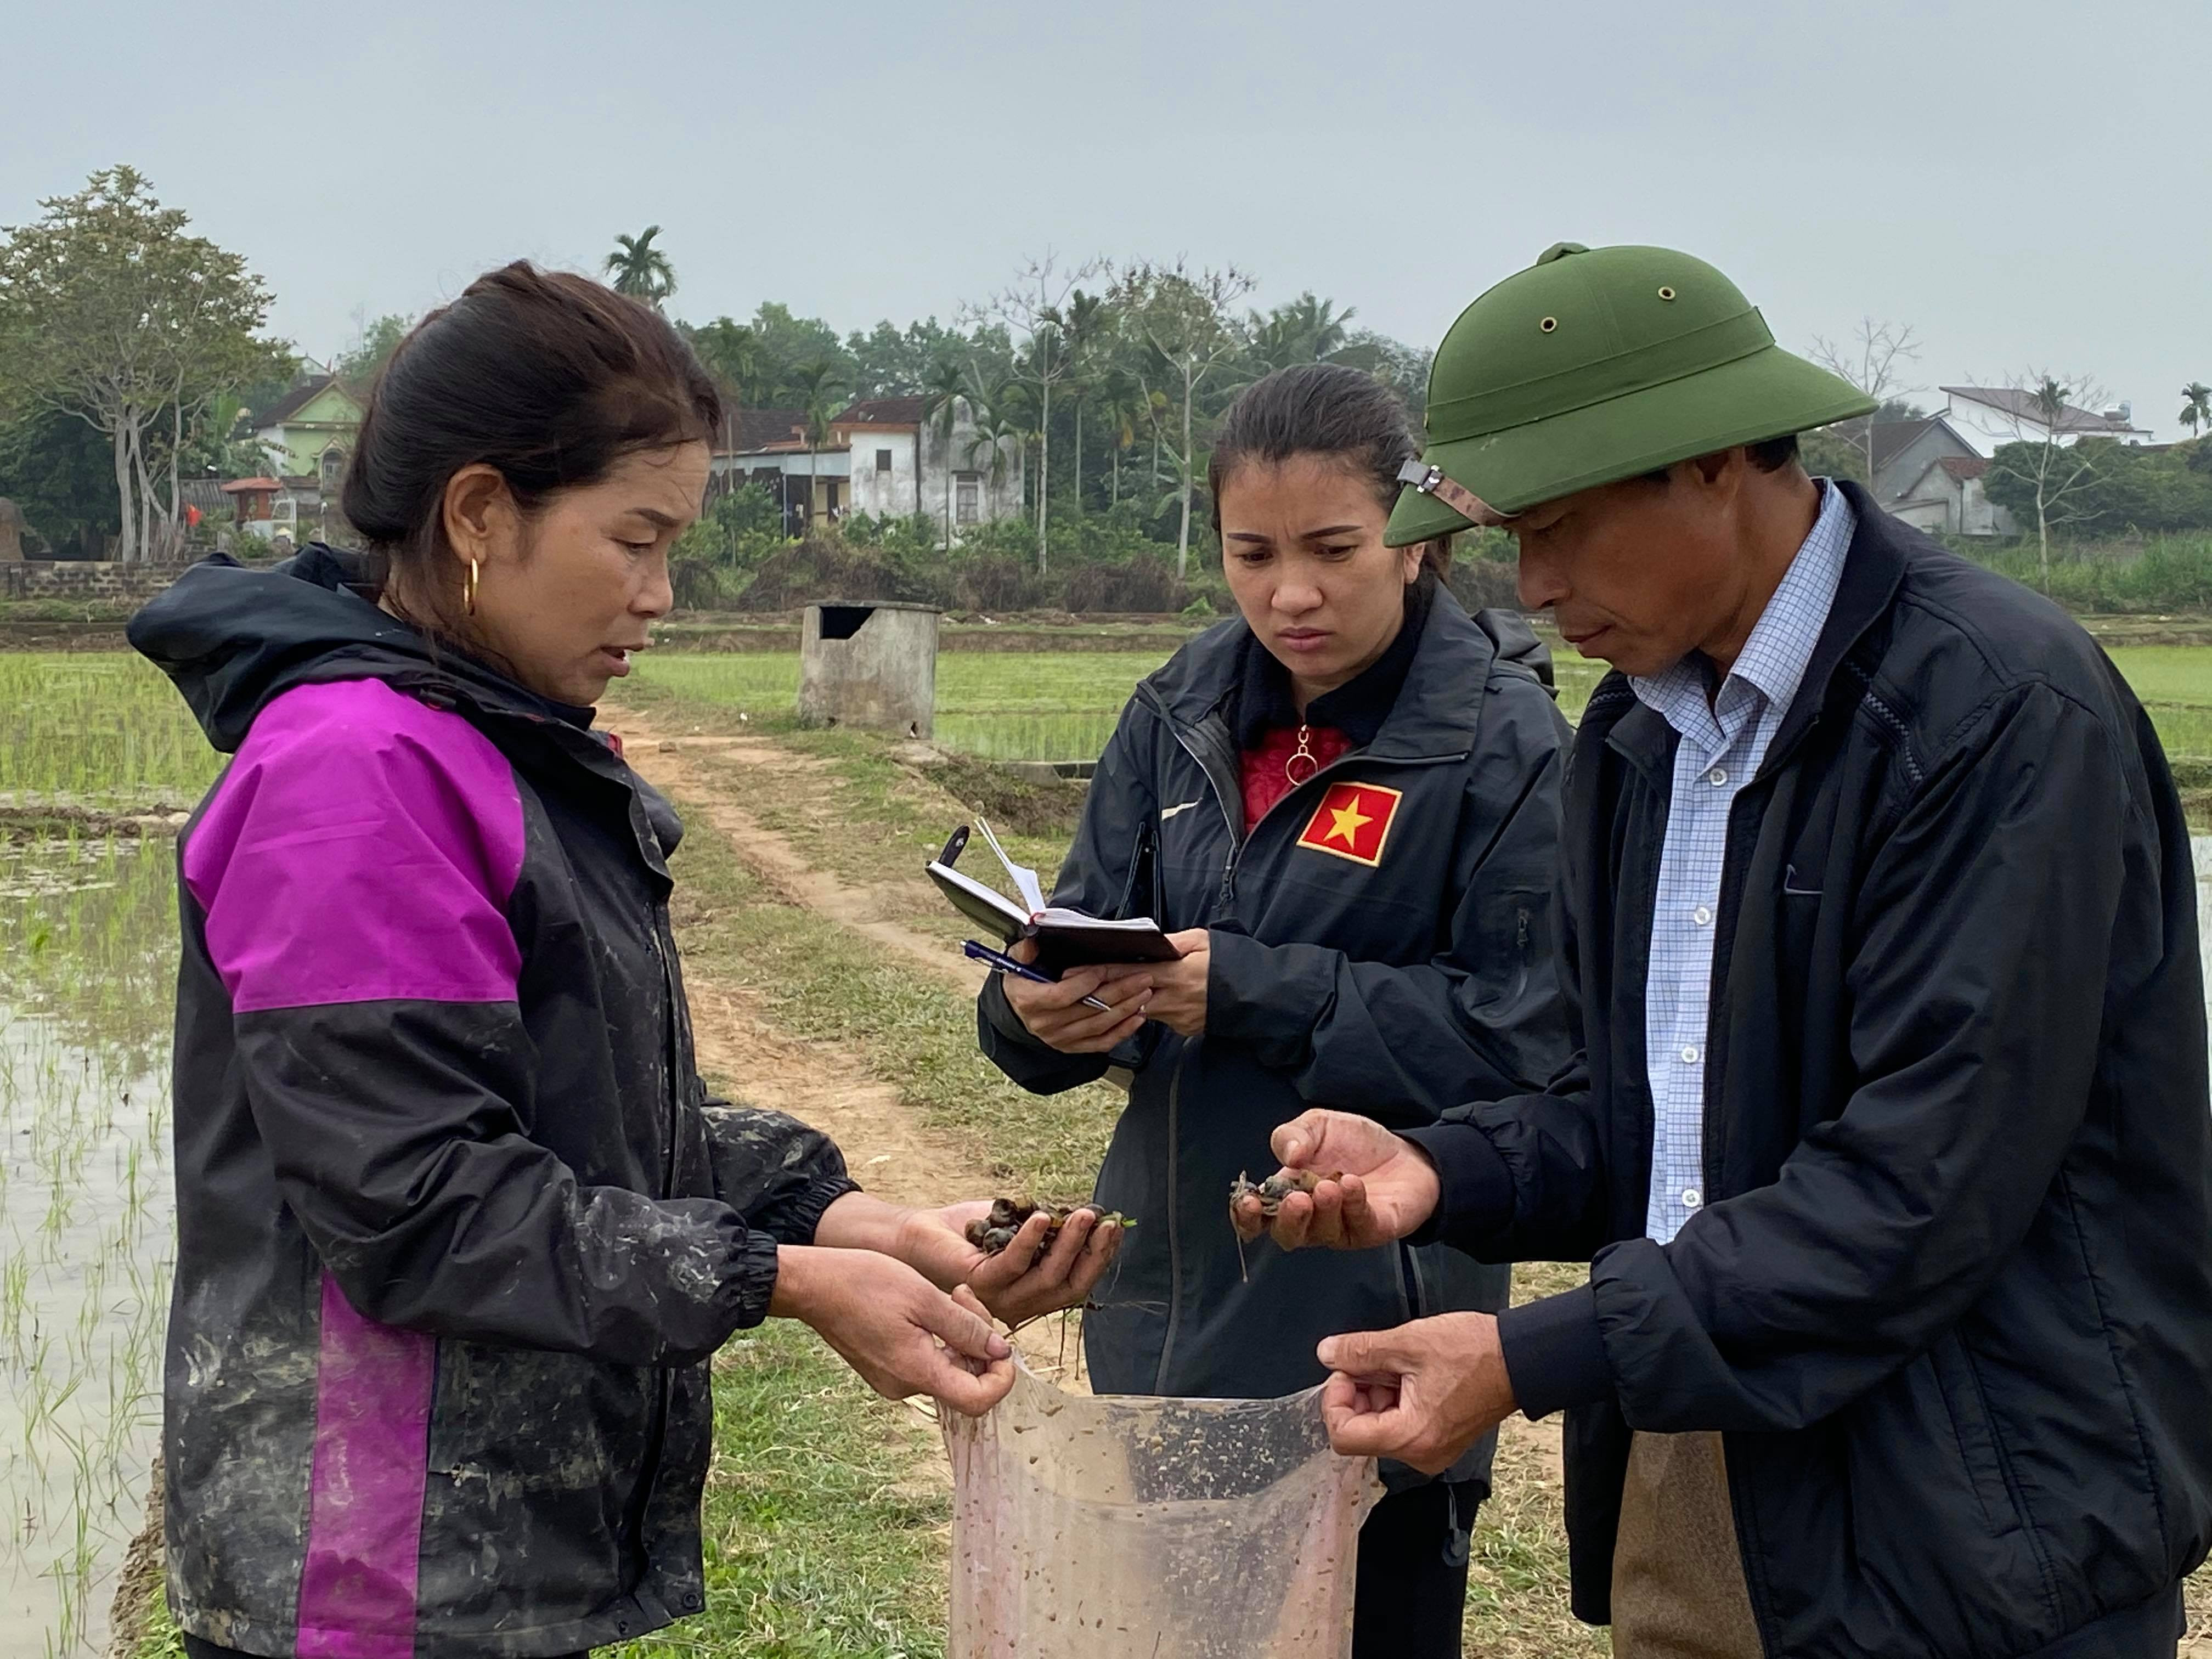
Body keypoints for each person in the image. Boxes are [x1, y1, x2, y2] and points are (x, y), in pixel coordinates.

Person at [128, 263, 1119, 1659]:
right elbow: (422, 1202)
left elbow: (581, 1110)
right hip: (371, 1569)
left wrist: (853, 1222)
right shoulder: (360, 774)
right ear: (481, 512)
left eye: (677, 548)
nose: (660, 595)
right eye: (635, 540)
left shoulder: (496, 744)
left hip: (480, 1554)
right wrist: (774, 1280)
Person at [1237, 243, 2212, 1657]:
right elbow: (1648, 1110)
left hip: (1976, 1502)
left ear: (1711, 466)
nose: (1537, 583)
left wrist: (1530, 1356)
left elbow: (1920, 1181)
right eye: (1511, 536)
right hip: (1699, 1444)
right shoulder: (1643, 734)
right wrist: (1439, 1166)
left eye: (1562, 525)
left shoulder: (1988, 714)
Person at [976, 363, 1574, 1657]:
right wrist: (1035, 1015)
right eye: (1251, 553)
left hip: (1370, 1327)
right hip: (1166, 1305)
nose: (1287, 594)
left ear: (1417, 543)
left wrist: (1248, 989)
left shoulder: (1502, 744)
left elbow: (1524, 1039)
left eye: (1331, 549)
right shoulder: (1179, 709)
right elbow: (1074, 932)